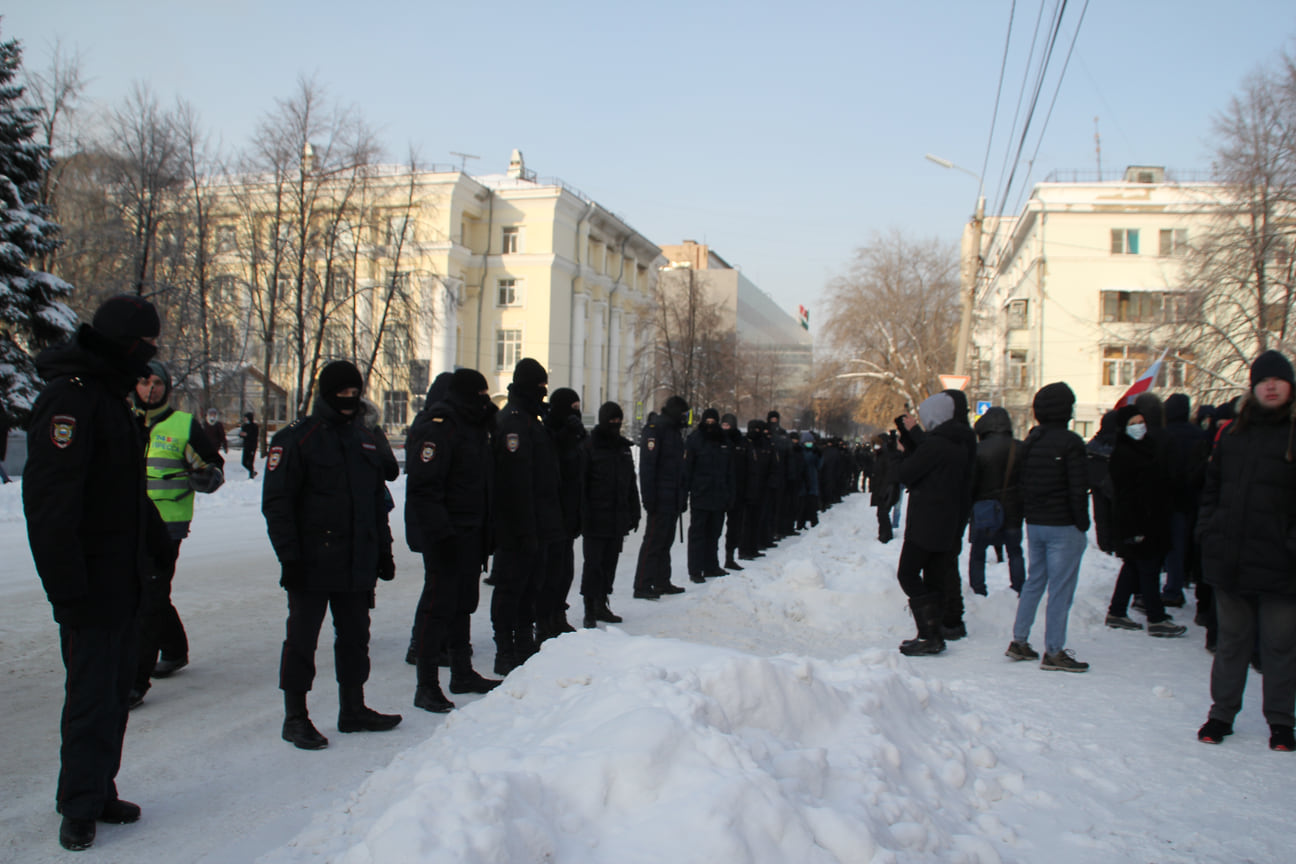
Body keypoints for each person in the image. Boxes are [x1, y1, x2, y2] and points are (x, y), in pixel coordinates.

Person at [23, 294, 164, 850]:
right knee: (88, 697)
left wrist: (153, 543)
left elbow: (124, 490)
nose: (151, 358)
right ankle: (77, 805)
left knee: (113, 693)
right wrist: (67, 590)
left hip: (121, 578)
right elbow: (51, 506)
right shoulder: (71, 399)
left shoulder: (110, 397)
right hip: (88, 586)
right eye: (148, 346)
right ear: (128, 345)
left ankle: (99, 788)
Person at [262, 360, 402, 750]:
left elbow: (378, 502)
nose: (348, 400)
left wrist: (383, 553)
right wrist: (289, 558)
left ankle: (353, 708)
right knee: (302, 640)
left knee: (356, 637)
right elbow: (277, 504)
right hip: (312, 560)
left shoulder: (365, 439)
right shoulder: (297, 439)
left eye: (354, 393)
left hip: (358, 558)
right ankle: (295, 716)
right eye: (341, 393)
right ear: (326, 393)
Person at [1196, 350, 1296, 751]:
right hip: (1232, 559)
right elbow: (1212, 489)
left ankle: (1282, 722)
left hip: (1282, 565)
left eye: (1278, 379)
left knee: (1280, 646)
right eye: (1262, 380)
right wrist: (1209, 531)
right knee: (1232, 643)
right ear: (1252, 388)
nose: (1270, 386)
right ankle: (1221, 715)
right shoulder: (1234, 435)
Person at [129, 361, 225, 708]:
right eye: (143, 382)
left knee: (148, 597)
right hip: (126, 521)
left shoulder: (183, 424)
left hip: (168, 523)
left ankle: (133, 682)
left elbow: (213, 464)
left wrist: (208, 477)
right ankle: (174, 649)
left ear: (166, 388)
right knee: (146, 592)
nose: (150, 388)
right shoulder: (121, 419)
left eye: (156, 383)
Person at [404, 367, 500, 713]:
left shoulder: (475, 429)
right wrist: (440, 535)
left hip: (471, 532)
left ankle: (462, 671)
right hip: (446, 536)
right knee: (438, 605)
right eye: (479, 394)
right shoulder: (440, 429)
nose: (484, 400)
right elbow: (424, 489)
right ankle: (426, 684)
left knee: (463, 603)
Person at [1007, 382, 1091, 672]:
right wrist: (1082, 522)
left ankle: (1019, 640)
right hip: (1063, 524)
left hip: (1036, 523)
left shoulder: (1031, 442)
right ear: (1066, 410)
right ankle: (1054, 650)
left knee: (1035, 581)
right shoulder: (1071, 443)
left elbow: (1020, 484)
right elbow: (1077, 488)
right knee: (1061, 589)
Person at [490, 358, 563, 674]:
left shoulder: (533, 421)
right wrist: (523, 529)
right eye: (539, 387)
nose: (543, 393)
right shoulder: (513, 422)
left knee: (530, 587)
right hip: (517, 526)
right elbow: (514, 482)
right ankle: (505, 649)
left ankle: (523, 640)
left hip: (540, 522)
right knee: (510, 588)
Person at [893, 392, 975, 656]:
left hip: (926, 520)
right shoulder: (959, 442)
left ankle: (929, 635)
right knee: (935, 578)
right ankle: (935, 633)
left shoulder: (936, 445)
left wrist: (902, 453)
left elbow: (906, 473)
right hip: (948, 521)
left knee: (907, 573)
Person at [1104, 396, 1187, 637]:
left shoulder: (1146, 446)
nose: (1139, 426)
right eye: (1134, 423)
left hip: (1152, 518)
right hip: (1138, 522)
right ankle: (1156, 617)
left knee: (1133, 565)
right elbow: (1128, 495)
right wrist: (1135, 527)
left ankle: (1117, 611)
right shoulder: (1124, 454)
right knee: (1148, 567)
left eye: (1141, 421)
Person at [579, 402, 640, 627]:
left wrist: (635, 510)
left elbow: (630, 482)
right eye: (611, 420)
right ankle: (589, 608)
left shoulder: (622, 447)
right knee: (593, 564)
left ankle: (601, 603)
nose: (615, 424)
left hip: (617, 516)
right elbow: (582, 484)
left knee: (609, 564)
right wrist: (583, 514)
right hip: (596, 517)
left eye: (618, 420)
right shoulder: (590, 446)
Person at [632, 395, 690, 598]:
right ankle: (642, 585)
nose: (686, 418)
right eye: (684, 414)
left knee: (666, 541)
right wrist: (649, 498)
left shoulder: (674, 432)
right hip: (660, 497)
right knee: (653, 542)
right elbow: (648, 467)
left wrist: (682, 497)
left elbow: (680, 470)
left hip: (672, 497)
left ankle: (661, 581)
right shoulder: (656, 430)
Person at [969, 407, 1025, 596]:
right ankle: (1018, 588)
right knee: (1015, 552)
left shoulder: (978, 450)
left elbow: (972, 482)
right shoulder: (1020, 448)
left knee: (978, 553)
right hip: (1014, 509)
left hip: (984, 510)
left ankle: (978, 590)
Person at [1160, 392, 1209, 608]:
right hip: (1194, 496)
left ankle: (1171, 590)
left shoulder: (1162, 434)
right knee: (1190, 545)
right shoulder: (1199, 435)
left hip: (1167, 498)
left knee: (1170, 547)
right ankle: (1190, 588)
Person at [684, 408, 733, 582]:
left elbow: (730, 470)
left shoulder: (723, 440)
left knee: (714, 533)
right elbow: (687, 469)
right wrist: (686, 493)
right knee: (698, 534)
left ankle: (711, 566)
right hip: (701, 494)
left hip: (719, 495)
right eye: (708, 421)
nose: (710, 424)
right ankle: (695, 570)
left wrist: (729, 493)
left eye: (714, 421)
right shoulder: (695, 440)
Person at [721, 413, 747, 571]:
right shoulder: (717, 440)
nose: (726, 428)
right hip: (720, 489)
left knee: (734, 526)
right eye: (724, 425)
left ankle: (729, 557)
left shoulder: (741, 442)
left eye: (728, 425)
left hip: (738, 488)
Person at [870, 433, 902, 543]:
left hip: (887, 490)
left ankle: (886, 535)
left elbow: (887, 474)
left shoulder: (886, 455)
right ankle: (884, 534)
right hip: (884, 489)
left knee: (882, 513)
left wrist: (884, 491)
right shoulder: (882, 455)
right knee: (881, 513)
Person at [797, 431, 823, 530]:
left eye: (811, 442)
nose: (809, 444)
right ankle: (801, 523)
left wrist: (819, 457)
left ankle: (814, 523)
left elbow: (819, 466)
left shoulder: (815, 452)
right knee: (802, 505)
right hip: (803, 482)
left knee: (812, 505)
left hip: (812, 481)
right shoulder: (801, 452)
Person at [239, 411, 259, 479]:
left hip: (252, 447)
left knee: (250, 462)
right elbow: (241, 434)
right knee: (244, 462)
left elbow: (254, 436)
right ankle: (252, 472)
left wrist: (247, 435)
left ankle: (251, 475)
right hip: (246, 446)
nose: (245, 419)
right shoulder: (244, 426)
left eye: (246, 418)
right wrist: (241, 434)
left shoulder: (254, 426)